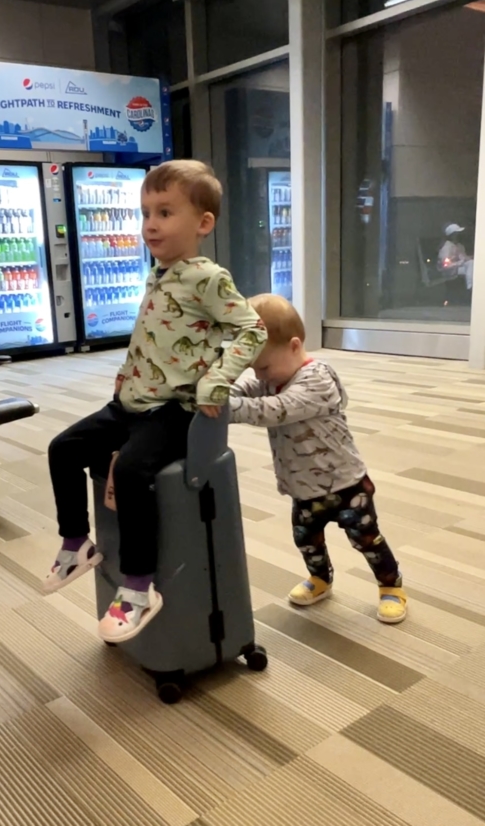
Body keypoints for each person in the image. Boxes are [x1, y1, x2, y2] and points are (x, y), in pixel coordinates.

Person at [44, 160, 267, 643]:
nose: (150, 223)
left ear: (203, 223)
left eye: (165, 212)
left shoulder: (208, 277)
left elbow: (253, 329)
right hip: (132, 400)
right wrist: (127, 373)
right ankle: (76, 543)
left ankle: (140, 587)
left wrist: (219, 380)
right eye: (145, 211)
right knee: (63, 448)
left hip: (175, 409)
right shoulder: (160, 272)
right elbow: (153, 333)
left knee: (129, 472)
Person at [229, 294, 407, 624]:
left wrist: (222, 408)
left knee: (366, 539)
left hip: (347, 485)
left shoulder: (317, 380)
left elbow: (272, 411)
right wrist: (218, 389)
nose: (260, 375)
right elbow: (245, 391)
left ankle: (390, 586)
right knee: (306, 540)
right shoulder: (274, 378)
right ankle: (321, 579)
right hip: (304, 488)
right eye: (254, 367)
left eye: (263, 366)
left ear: (295, 346)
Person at [438, 223, 473, 290]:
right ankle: (470, 287)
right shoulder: (446, 247)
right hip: (449, 271)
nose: (459, 235)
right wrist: (460, 263)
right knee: (471, 264)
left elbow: (464, 258)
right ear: (452, 235)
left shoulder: (459, 245)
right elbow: (445, 265)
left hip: (457, 269)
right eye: (457, 233)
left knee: (472, 265)